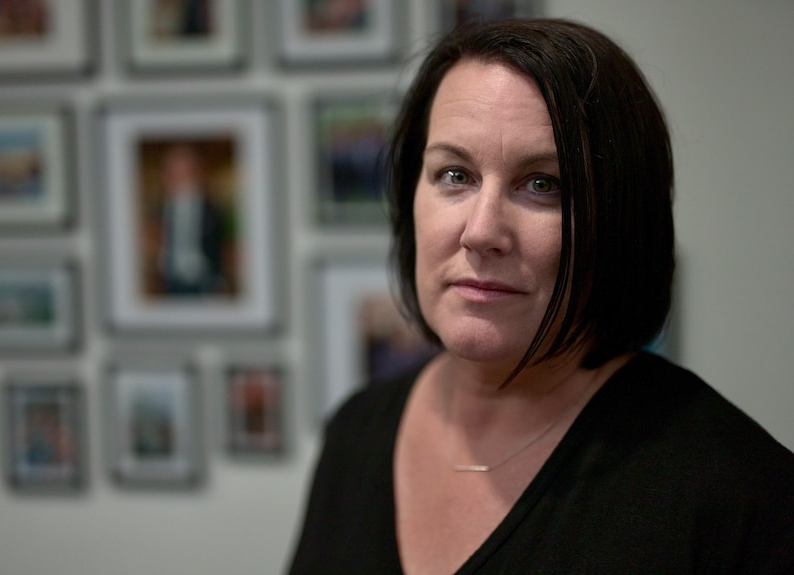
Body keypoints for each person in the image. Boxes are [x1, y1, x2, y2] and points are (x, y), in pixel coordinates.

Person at [286, 18, 794, 575]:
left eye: (543, 184)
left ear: (620, 219)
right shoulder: (355, 436)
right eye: (454, 174)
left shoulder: (736, 491)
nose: (481, 232)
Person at [154, 143, 227, 296]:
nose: (180, 178)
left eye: (185, 172)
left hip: (204, 281)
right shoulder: (159, 210)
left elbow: (220, 245)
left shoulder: (211, 210)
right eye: (174, 172)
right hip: (168, 281)